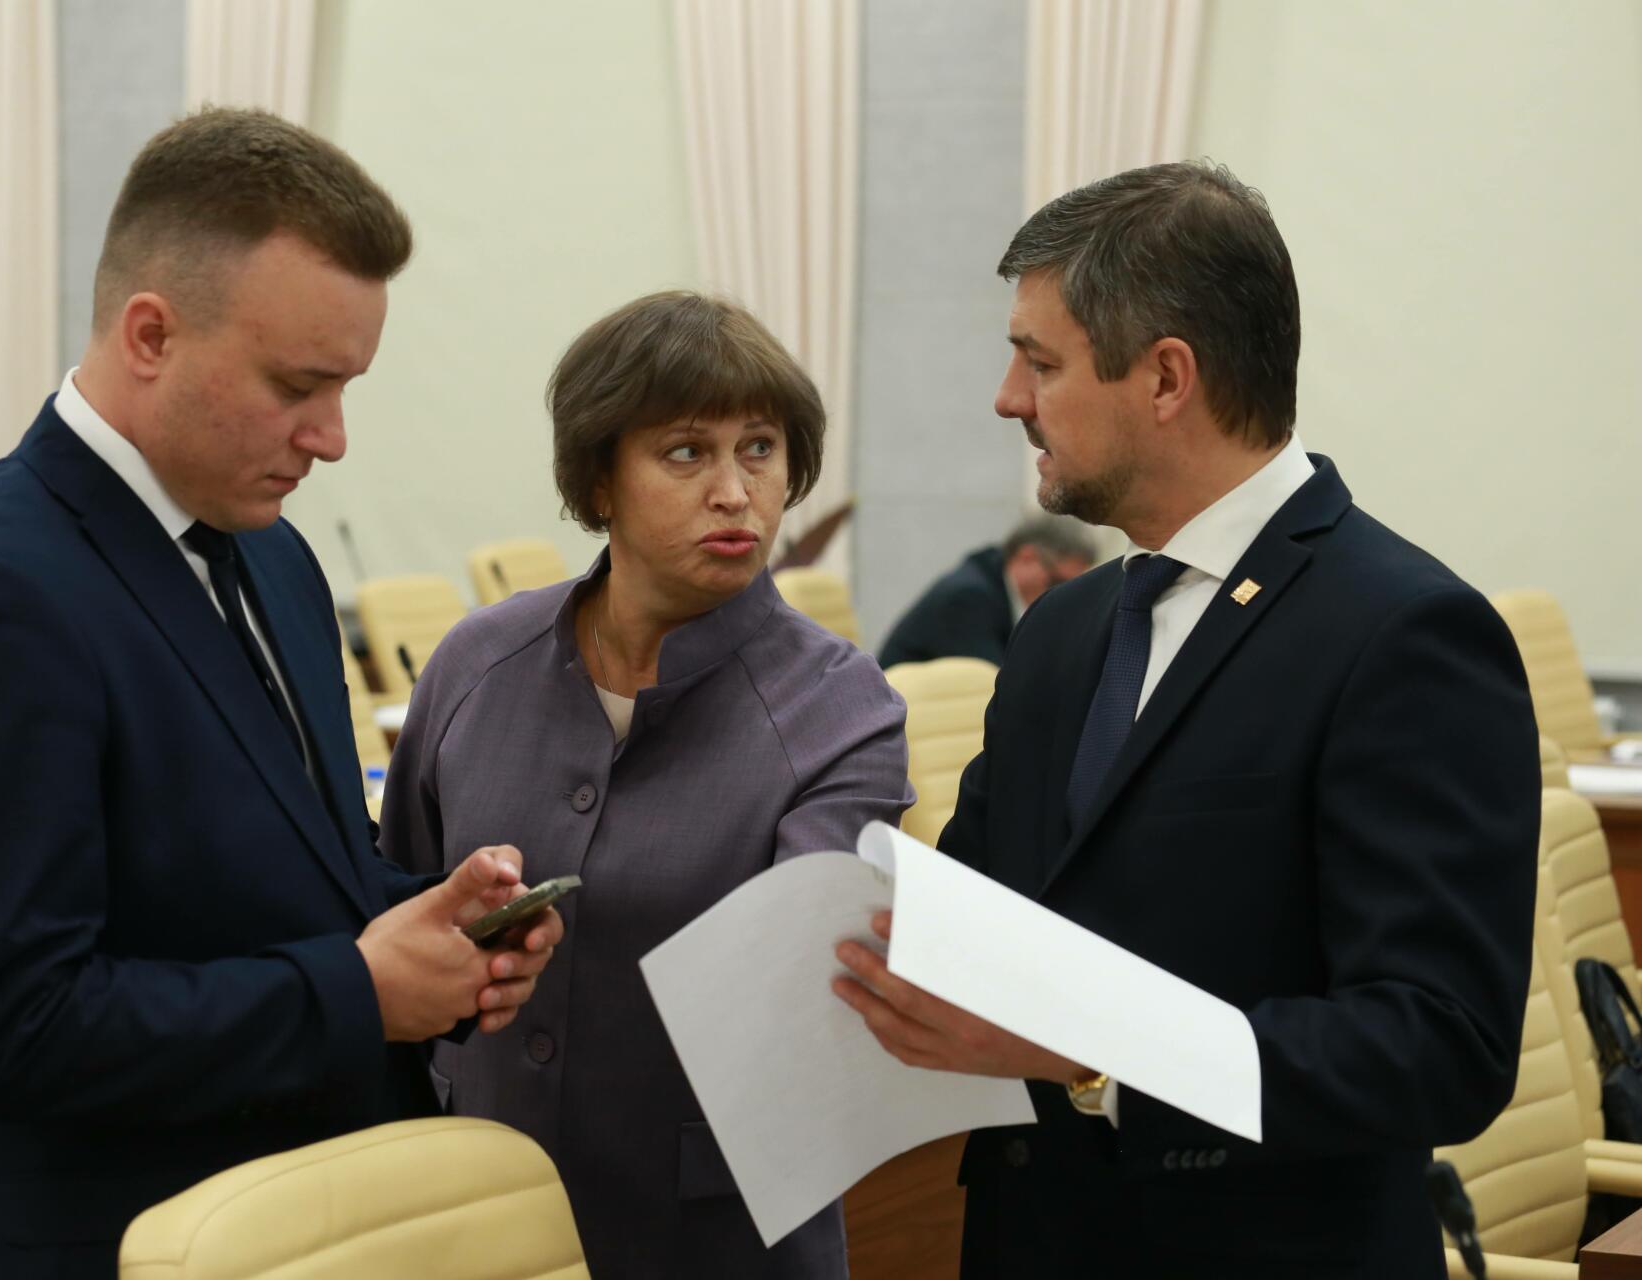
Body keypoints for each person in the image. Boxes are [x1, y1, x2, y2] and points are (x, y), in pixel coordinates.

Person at [0, 108, 562, 1279]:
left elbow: (274, 881)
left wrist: (436, 927)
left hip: (309, 1224)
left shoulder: (272, 553)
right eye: (298, 384)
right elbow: (9, 1027)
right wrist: (359, 989)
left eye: (348, 387)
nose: (332, 437)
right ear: (150, 335)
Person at [832, 162, 1537, 1277]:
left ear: (1166, 378)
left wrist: (1099, 1061)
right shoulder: (1060, 631)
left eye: (1040, 362)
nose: (1009, 399)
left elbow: (1439, 1045)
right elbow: (983, 922)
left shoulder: (1404, 632)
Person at [378, 290, 913, 1277]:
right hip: (473, 1216)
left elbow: (811, 988)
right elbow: (395, 908)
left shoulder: (840, 705)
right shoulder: (478, 661)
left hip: (711, 1234)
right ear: (600, 479)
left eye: (760, 449)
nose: (735, 492)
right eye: (685, 452)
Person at [876, 515, 1094, 668]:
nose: (1064, 594)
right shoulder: (968, 599)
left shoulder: (995, 583)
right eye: (1058, 581)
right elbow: (1000, 687)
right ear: (1027, 557)